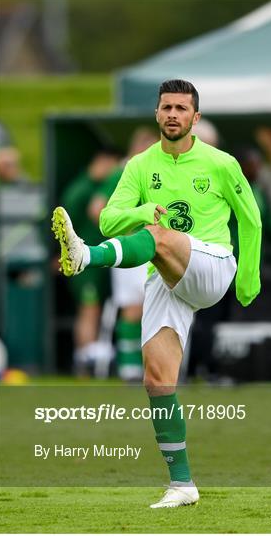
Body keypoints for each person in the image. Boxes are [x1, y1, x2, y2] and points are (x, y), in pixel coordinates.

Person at [52, 79, 262, 508]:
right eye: (166, 107)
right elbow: (110, 219)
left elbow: (251, 219)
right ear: (156, 114)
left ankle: (85, 256)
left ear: (195, 118)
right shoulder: (139, 165)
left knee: (159, 236)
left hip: (213, 265)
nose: (173, 114)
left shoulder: (221, 163)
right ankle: (182, 485)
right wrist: (141, 210)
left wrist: (248, 279)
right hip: (168, 276)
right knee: (157, 379)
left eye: (182, 109)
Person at [88, 128, 159, 381]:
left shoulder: (159, 174)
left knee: (160, 308)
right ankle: (129, 368)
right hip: (130, 250)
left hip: (156, 249)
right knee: (133, 308)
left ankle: (159, 369)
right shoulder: (122, 173)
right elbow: (97, 209)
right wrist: (129, 224)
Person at [61, 148, 121, 375]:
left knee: (95, 309)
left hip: (98, 260)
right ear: (101, 161)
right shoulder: (81, 189)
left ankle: (91, 356)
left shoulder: (97, 187)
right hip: (83, 262)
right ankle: (84, 359)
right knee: (89, 309)